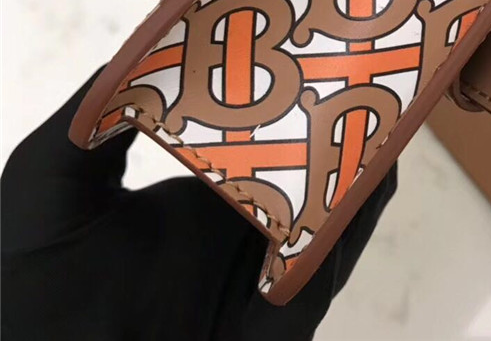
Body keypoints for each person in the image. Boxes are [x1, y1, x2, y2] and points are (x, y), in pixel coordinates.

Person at [1, 69, 397, 340]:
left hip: (310, 188)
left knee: (378, 127)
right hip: (312, 210)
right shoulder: (22, 245)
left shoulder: (23, 245)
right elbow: (128, 83)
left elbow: (127, 85)